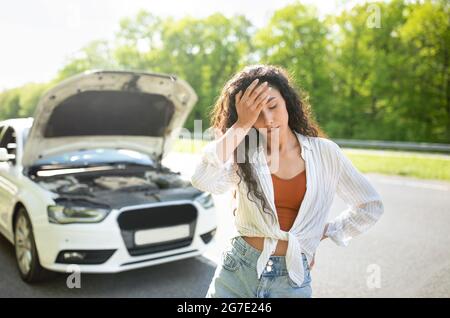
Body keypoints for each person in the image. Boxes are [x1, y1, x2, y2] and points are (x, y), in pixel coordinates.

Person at [191, 64, 384, 298]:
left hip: (292, 277)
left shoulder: (325, 153)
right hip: (238, 269)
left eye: (273, 106)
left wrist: (326, 231)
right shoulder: (244, 154)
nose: (269, 119)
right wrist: (241, 126)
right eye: (256, 114)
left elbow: (370, 205)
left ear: (287, 101)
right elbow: (202, 179)